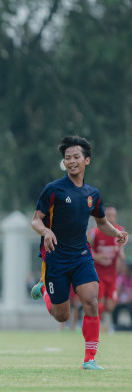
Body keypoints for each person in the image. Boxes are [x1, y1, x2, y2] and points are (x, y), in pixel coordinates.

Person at [30, 136, 128, 370]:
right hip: (55, 256)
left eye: (76, 157)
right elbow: (36, 221)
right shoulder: (53, 189)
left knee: (91, 302)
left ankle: (89, 359)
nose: (71, 161)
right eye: (67, 158)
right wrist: (46, 232)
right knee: (61, 315)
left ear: (87, 160)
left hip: (81, 255)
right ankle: (45, 288)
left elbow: (101, 222)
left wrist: (116, 233)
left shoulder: (92, 193)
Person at [87, 206, 126, 331]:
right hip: (99, 274)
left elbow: (124, 239)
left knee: (110, 306)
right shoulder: (95, 232)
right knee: (100, 302)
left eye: (113, 215)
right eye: (108, 215)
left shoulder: (119, 230)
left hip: (112, 274)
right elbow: (86, 249)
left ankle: (100, 321)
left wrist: (121, 252)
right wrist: (96, 256)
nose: (111, 218)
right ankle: (96, 325)